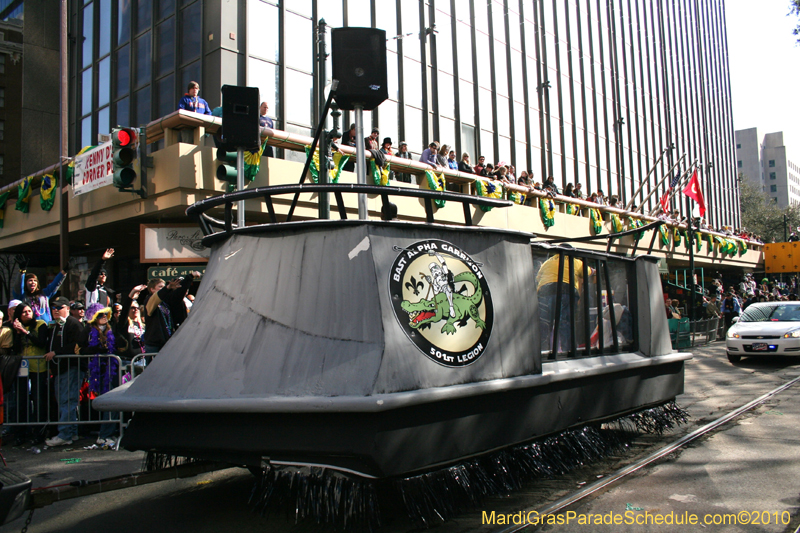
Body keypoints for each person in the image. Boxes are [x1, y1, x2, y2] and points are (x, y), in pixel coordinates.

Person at [44, 297, 85, 447]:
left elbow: (77, 345)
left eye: (59, 307)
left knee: (67, 400)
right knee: (64, 400)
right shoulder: (55, 325)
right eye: (53, 307)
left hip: (71, 367)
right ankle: (71, 431)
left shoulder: (73, 323)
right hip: (60, 369)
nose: (55, 310)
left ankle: (65, 434)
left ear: (68, 308)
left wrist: (56, 352)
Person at [81, 302, 120, 447]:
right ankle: (104, 434)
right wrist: (97, 350)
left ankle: (107, 433)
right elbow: (81, 349)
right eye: (100, 315)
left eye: (105, 314)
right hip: (97, 370)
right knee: (104, 401)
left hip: (112, 369)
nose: (104, 317)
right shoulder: (88, 331)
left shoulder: (112, 328)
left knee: (113, 400)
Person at [536, 254, 593, 354]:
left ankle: (542, 352)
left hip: (545, 292)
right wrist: (593, 270)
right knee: (566, 323)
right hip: (565, 291)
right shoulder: (574, 260)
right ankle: (569, 351)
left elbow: (538, 278)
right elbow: (587, 271)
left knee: (544, 324)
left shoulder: (548, 262)